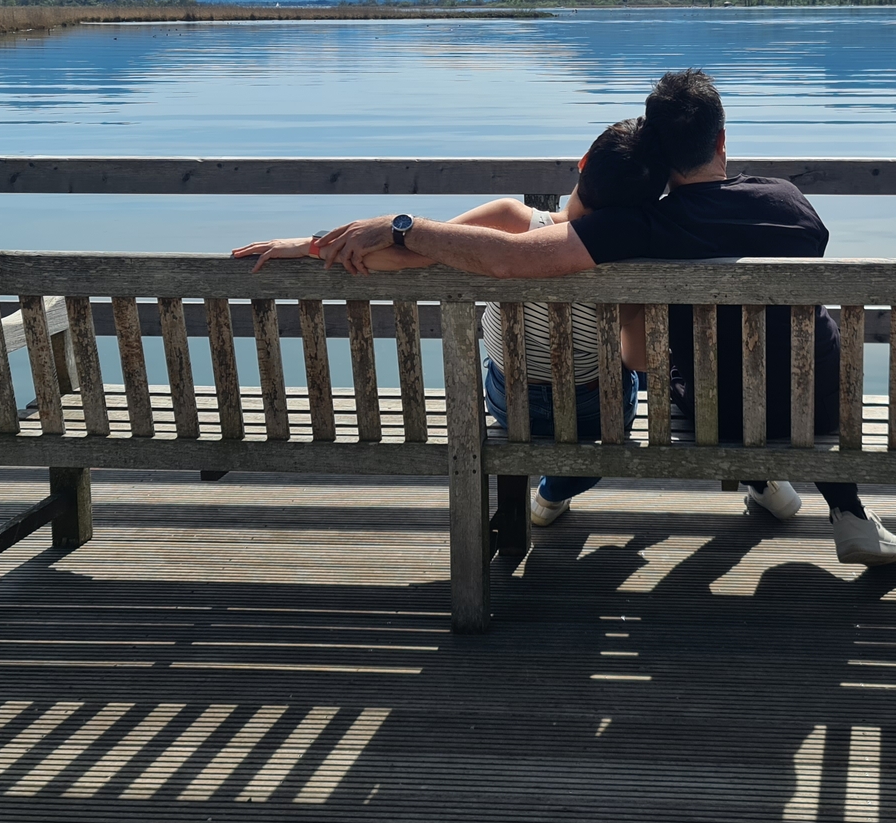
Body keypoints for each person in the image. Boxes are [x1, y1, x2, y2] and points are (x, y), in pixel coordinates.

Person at [302, 70, 896, 567]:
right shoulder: (791, 204)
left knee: (692, 373)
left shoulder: (641, 226)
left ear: (659, 158)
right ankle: (846, 509)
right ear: (722, 140)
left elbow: (513, 258)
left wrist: (403, 227)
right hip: (821, 410)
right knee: (797, 349)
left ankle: (762, 482)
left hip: (717, 416)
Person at [233, 121, 659, 525]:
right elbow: (638, 359)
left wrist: (310, 246)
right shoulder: (637, 260)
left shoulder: (508, 221)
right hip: (591, 410)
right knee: (623, 387)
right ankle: (552, 494)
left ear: (583, 162)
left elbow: (405, 255)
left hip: (510, 402)